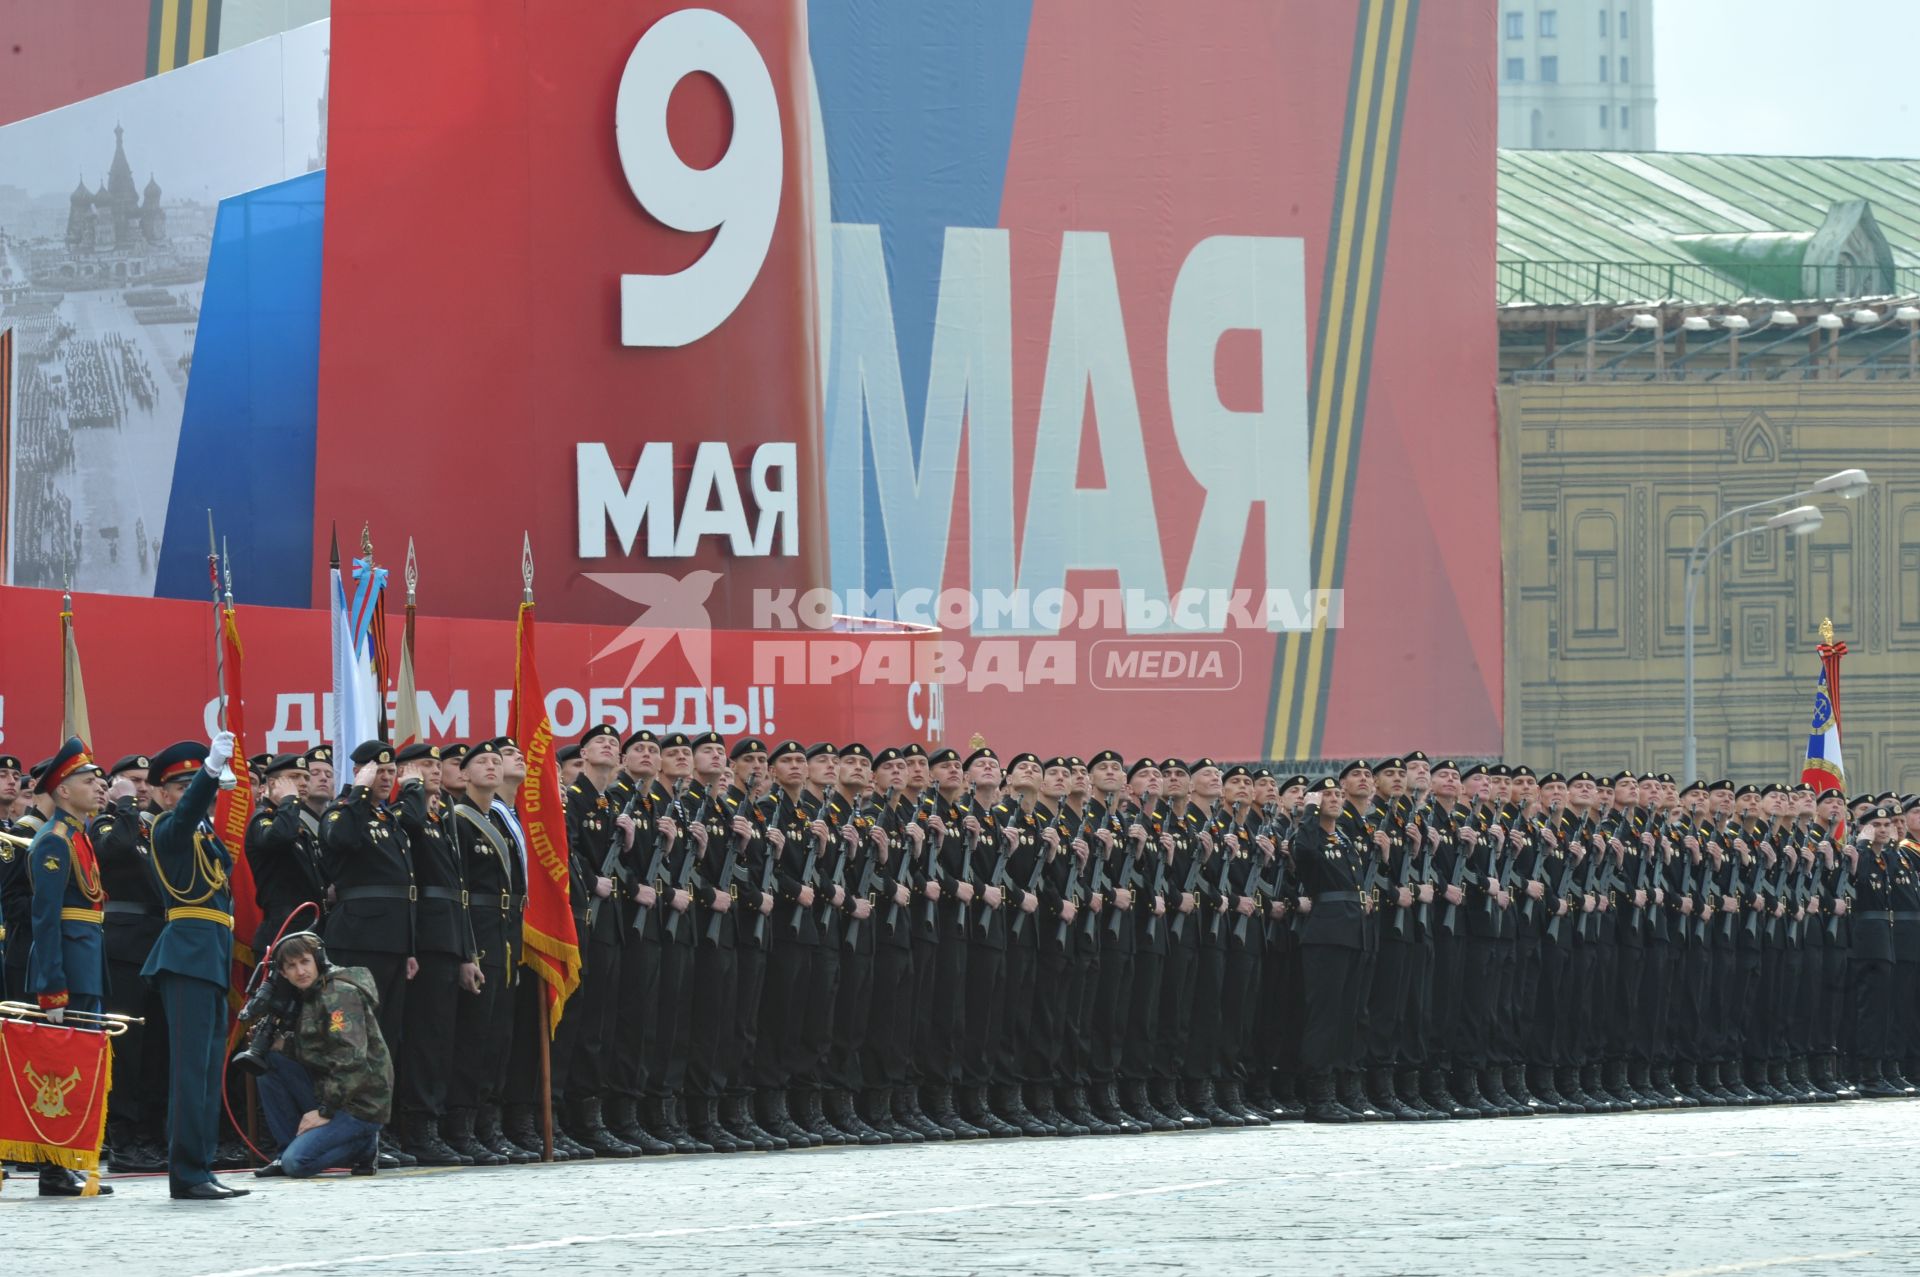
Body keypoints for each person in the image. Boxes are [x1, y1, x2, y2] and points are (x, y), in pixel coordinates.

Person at [142, 734, 251, 1200]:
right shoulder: (168, 829)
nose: (188, 794)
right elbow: (187, 814)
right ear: (164, 795)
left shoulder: (203, 836)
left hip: (209, 955)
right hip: (187, 955)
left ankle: (201, 1166)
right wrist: (208, 773)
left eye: (193, 783)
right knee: (190, 1071)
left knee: (208, 1070)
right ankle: (186, 1172)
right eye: (180, 786)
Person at [24, 737, 114, 1197]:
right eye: (86, 779)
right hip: (66, 968)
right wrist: (51, 987)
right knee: (57, 1071)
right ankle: (53, 1170)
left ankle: (69, 1161)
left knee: (81, 1064)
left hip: (86, 960)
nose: (97, 785)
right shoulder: (53, 842)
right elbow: (46, 919)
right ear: (62, 791)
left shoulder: (79, 836)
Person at [253, 932, 394, 1179]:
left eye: (305, 962)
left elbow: (351, 1060)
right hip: (333, 1092)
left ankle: (365, 1146)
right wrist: (279, 1046)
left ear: (318, 960)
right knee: (268, 1062)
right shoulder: (311, 995)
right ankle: (286, 1150)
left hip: (360, 1105)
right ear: (283, 973)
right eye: (292, 966)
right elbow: (320, 1051)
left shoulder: (339, 994)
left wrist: (324, 1111)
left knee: (297, 1164)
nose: (300, 971)